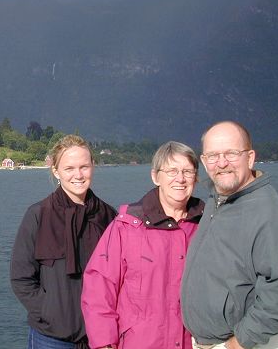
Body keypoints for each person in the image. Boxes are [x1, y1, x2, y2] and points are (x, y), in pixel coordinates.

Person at [81, 141, 204, 349]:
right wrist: (104, 343)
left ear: (196, 178)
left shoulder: (207, 225)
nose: (180, 179)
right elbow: (99, 287)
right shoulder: (127, 226)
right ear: (155, 176)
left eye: (187, 171)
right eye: (172, 170)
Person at [181, 121, 278, 349]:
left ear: (250, 158)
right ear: (204, 162)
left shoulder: (266, 212)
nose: (221, 163)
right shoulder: (219, 198)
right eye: (213, 156)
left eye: (231, 153)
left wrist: (239, 342)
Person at [10, 134, 117, 349]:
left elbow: (120, 277)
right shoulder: (38, 215)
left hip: (100, 338)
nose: (78, 175)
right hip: (50, 338)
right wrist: (49, 312)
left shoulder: (109, 217)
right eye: (69, 168)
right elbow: (21, 278)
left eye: (84, 167)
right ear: (56, 171)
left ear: (93, 167)